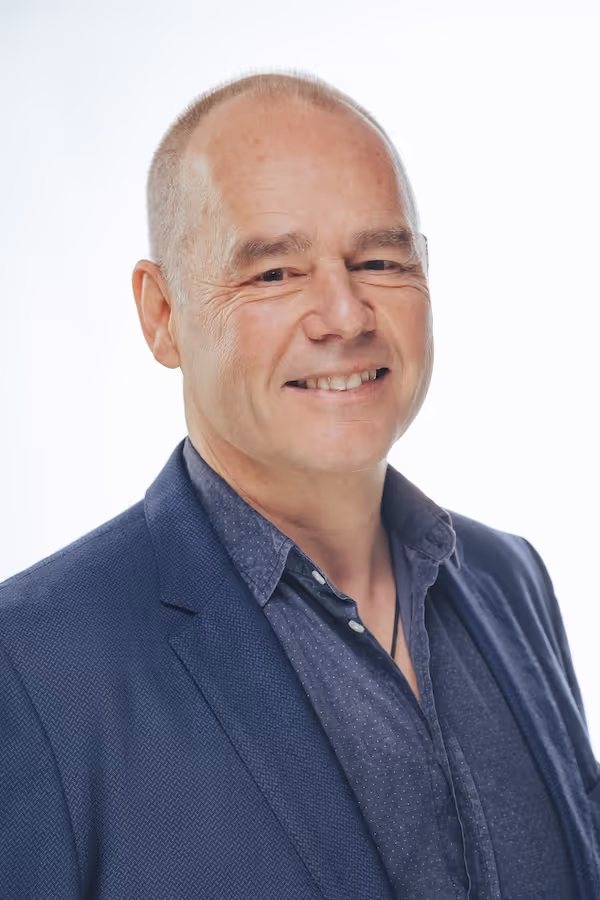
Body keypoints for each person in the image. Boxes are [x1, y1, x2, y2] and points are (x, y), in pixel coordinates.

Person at [0, 72, 598, 900]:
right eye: (274, 273)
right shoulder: (30, 667)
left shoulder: (511, 579)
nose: (346, 315)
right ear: (161, 315)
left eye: (381, 260)